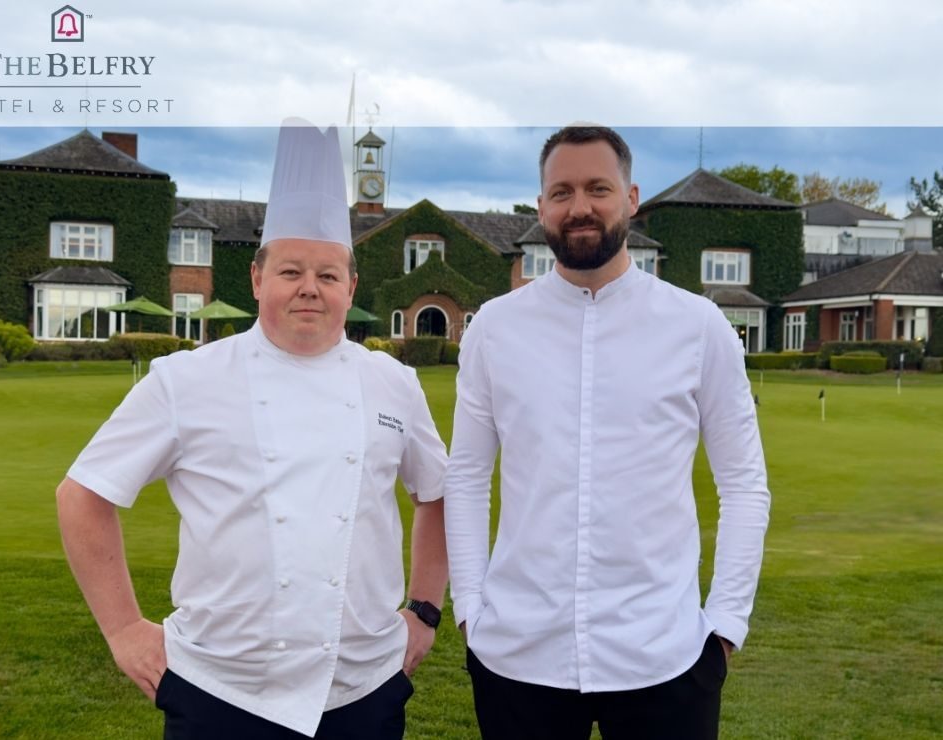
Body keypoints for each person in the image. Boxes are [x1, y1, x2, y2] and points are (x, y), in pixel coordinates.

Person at [56, 120, 448, 740]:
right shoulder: (184, 380)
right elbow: (82, 495)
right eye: (291, 272)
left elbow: (439, 493)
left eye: (327, 274)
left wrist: (424, 611)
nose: (309, 290)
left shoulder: (393, 382)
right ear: (258, 279)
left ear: (351, 286)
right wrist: (124, 630)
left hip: (364, 690)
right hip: (220, 690)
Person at [444, 124, 770, 740]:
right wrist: (471, 611)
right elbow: (464, 478)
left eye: (599, 187)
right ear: (541, 206)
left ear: (631, 198)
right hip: (519, 652)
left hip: (664, 655)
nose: (580, 206)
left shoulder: (699, 328)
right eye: (561, 191)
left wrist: (724, 622)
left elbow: (745, 485)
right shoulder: (494, 328)